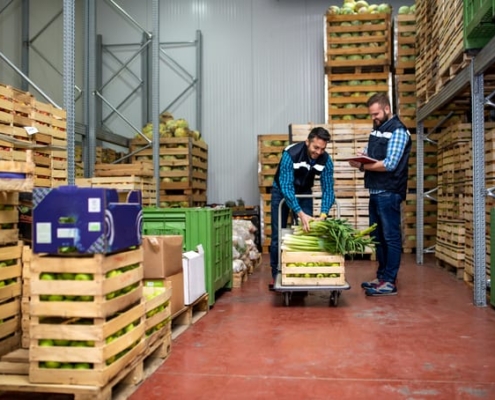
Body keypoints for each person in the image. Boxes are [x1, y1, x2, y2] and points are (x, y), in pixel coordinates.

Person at [349, 93, 412, 296]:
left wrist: (363, 166)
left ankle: (389, 282)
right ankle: (381, 276)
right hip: (375, 191)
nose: (373, 118)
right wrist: (360, 159)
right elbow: (370, 155)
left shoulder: (398, 131)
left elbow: (390, 164)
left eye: (376, 114)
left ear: (386, 109)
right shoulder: (377, 130)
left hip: (389, 192)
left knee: (391, 237)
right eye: (371, 115)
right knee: (378, 238)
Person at [269, 127, 335, 290]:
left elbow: (328, 189)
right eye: (315, 147)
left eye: (322, 149)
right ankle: (276, 273)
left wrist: (323, 214)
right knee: (278, 234)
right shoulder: (290, 154)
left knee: (307, 231)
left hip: (304, 191)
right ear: (307, 142)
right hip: (281, 191)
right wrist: (300, 213)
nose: (319, 152)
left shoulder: (325, 160)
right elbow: (286, 186)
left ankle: (300, 271)